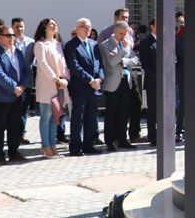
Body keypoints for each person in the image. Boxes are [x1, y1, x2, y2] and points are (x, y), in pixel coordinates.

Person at [0, 25, 31, 165]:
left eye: (13, 35)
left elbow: (26, 70)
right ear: (0, 37)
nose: (12, 38)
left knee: (15, 125)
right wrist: (14, 86)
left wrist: (22, 85)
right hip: (3, 96)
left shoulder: (17, 52)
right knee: (0, 126)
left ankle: (13, 152)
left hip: (18, 95)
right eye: (9, 35)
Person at [64, 18, 104, 156]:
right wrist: (90, 79)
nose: (88, 29)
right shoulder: (71, 45)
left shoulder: (94, 44)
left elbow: (99, 63)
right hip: (80, 87)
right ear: (77, 29)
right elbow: (74, 66)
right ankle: (75, 147)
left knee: (91, 118)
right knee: (77, 117)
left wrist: (99, 78)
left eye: (89, 27)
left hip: (94, 87)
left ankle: (88, 145)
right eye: (84, 27)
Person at [99, 21, 136, 152]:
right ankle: (109, 141)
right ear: (114, 31)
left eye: (125, 34)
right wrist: (124, 51)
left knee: (124, 113)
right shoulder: (105, 45)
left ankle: (122, 139)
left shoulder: (126, 43)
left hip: (126, 81)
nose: (123, 36)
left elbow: (135, 60)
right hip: (113, 83)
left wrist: (123, 60)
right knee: (111, 113)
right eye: (121, 33)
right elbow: (111, 62)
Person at [33, 18, 67, 158]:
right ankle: (45, 146)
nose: (54, 26)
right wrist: (56, 79)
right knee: (46, 115)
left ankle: (53, 145)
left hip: (59, 85)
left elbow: (63, 63)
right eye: (51, 24)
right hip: (47, 85)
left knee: (56, 117)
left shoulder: (58, 44)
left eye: (55, 24)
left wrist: (64, 78)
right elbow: (43, 64)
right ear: (45, 27)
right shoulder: (40, 45)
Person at [11, 18, 36, 143]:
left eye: (21, 26)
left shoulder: (31, 43)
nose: (19, 29)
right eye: (16, 27)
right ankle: (12, 133)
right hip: (13, 81)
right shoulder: (9, 42)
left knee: (24, 108)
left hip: (27, 80)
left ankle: (21, 134)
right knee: (13, 108)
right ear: (12, 27)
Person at [138, 19, 159, 146]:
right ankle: (153, 136)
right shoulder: (146, 41)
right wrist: (157, 78)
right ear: (152, 26)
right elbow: (145, 63)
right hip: (153, 82)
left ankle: (165, 134)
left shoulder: (167, 38)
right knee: (152, 111)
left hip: (167, 83)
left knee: (166, 110)